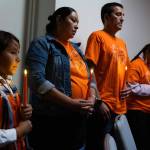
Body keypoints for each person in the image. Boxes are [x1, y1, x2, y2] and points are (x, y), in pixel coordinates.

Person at [26, 7, 96, 150]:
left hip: (78, 119)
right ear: (59, 19)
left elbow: (91, 77)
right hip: (52, 120)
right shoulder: (42, 44)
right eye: (73, 20)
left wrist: (92, 98)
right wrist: (70, 103)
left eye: (78, 22)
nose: (77, 25)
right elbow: (36, 80)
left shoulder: (77, 50)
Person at [85, 2, 129, 150]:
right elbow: (89, 71)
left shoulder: (122, 43)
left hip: (120, 107)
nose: (122, 18)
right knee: (98, 145)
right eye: (118, 14)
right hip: (104, 105)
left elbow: (124, 70)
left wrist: (127, 87)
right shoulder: (97, 36)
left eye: (123, 15)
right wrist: (98, 100)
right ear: (106, 17)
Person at [0, 30, 32, 150]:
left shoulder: (9, 84)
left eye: (18, 53)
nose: (18, 59)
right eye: (13, 52)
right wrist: (18, 132)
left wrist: (23, 111)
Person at [122, 44, 150, 150]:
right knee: (140, 144)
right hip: (137, 112)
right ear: (147, 53)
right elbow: (132, 87)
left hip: (146, 112)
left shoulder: (148, 65)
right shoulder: (136, 65)